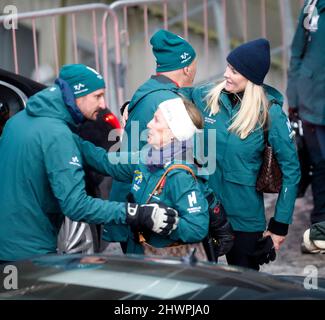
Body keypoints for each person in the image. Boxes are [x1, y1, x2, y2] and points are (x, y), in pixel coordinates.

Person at [0, 64, 178, 263]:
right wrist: (138, 213)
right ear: (77, 95)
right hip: (28, 254)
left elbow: (103, 160)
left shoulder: (21, 120)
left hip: (9, 245)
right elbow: (76, 205)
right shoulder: (56, 134)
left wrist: (156, 160)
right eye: (98, 96)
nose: (103, 105)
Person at [181, 39, 301, 270]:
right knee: (200, 285)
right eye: (227, 66)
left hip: (244, 220)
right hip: (204, 211)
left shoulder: (270, 113)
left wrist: (279, 227)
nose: (226, 74)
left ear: (251, 77)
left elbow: (291, 172)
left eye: (234, 71)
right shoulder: (207, 95)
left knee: (245, 288)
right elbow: (172, 95)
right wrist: (132, 106)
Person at [76, 97, 234, 258]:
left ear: (173, 132)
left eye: (156, 120)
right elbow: (107, 163)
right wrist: (73, 143)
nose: (149, 124)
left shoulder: (180, 175)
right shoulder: (148, 156)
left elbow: (196, 228)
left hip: (165, 266)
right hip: (139, 255)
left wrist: (170, 225)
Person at [107, 29, 198, 246]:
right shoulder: (168, 103)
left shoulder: (150, 91)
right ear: (186, 67)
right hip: (147, 216)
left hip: (134, 208)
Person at [286, 0, 325, 228]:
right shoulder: (313, 6)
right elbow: (296, 53)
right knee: (320, 163)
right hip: (312, 100)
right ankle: (320, 224)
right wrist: (294, 97)